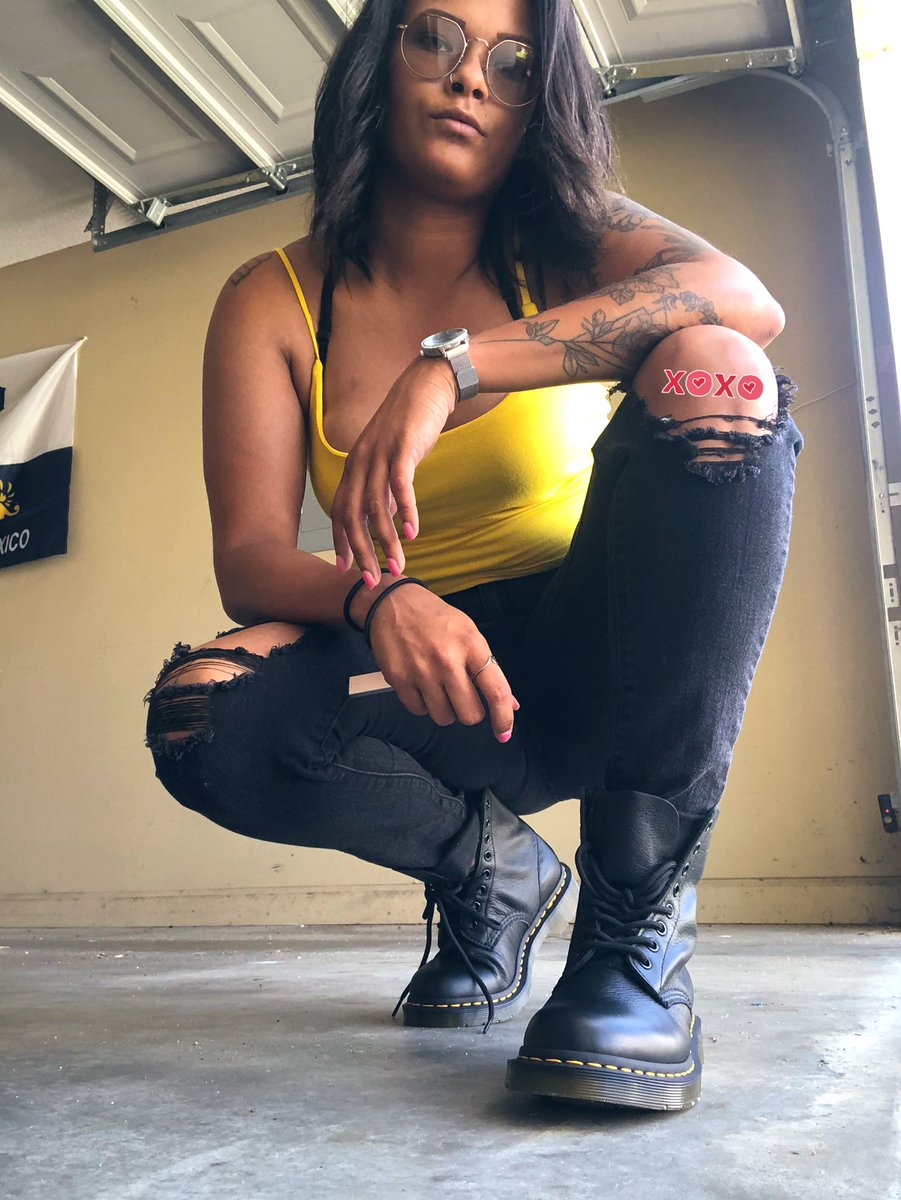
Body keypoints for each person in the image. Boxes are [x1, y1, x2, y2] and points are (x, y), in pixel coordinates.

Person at [143, 0, 804, 1112]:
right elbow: (250, 558)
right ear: (379, 58)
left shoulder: (569, 242)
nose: (469, 80)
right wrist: (381, 598)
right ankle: (488, 875)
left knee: (716, 367)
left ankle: (632, 944)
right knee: (204, 710)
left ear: (539, 103)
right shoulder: (273, 299)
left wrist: (450, 367)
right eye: (436, 39)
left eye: (513, 64)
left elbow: (747, 301)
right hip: (434, 681)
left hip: (599, 656)